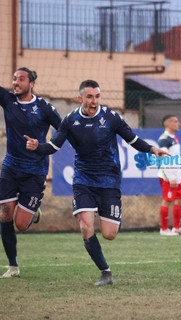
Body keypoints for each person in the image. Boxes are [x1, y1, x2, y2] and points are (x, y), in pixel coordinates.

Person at [25, 79, 169, 286]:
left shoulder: (111, 117)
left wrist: (152, 149)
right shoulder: (70, 120)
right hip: (83, 179)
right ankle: (105, 272)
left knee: (109, 234)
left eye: (97, 96)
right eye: (90, 97)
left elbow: (132, 139)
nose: (94, 101)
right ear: (80, 98)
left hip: (109, 180)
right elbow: (54, 147)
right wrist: (38, 146)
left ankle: (110, 218)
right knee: (85, 226)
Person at [0, 67, 63, 278]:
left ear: (31, 83)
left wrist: (43, 146)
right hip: (10, 167)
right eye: (14, 79)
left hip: (35, 171)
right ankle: (13, 267)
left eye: (21, 79)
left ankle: (33, 210)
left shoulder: (44, 107)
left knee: (21, 224)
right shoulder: (8, 100)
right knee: (4, 215)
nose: (16, 82)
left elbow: (63, 131)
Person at [158, 115, 181, 236]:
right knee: (167, 200)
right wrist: (171, 177)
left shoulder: (174, 138)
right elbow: (164, 159)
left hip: (177, 175)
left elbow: (176, 159)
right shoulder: (164, 139)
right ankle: (164, 229)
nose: (179, 123)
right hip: (168, 176)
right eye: (175, 121)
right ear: (168, 124)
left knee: (180, 199)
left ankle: (176, 228)